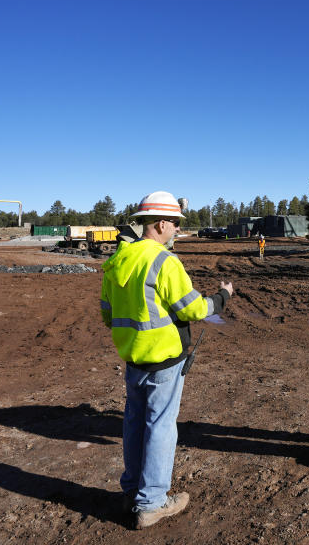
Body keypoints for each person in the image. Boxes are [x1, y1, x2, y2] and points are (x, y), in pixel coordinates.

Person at [100, 191, 234, 529]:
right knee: (159, 428)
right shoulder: (164, 261)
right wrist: (221, 298)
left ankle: (132, 492)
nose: (176, 229)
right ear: (161, 223)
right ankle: (153, 503)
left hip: (133, 359)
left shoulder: (118, 260)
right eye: (175, 223)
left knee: (134, 424)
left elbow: (107, 313)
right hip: (164, 359)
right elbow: (192, 308)